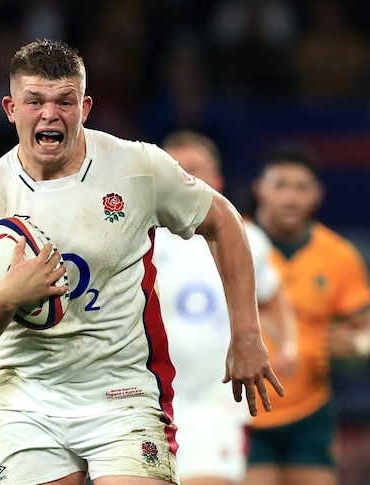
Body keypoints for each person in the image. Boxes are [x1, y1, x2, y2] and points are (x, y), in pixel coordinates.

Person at [0, 38, 282, 485]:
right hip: (27, 399)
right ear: (11, 108)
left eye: (65, 101)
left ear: (84, 106)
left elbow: (223, 220)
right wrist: (9, 296)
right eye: (35, 101)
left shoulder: (136, 166)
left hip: (122, 395)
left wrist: (245, 335)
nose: (50, 114)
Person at [155, 130, 298, 485]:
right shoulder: (133, 240)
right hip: (144, 403)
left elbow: (271, 297)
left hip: (214, 407)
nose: (182, 180)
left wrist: (289, 346)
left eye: (192, 170)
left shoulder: (246, 238)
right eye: (172, 170)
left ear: (216, 181)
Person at [244, 143, 370, 485]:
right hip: (244, 413)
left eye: (302, 187)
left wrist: (357, 345)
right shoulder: (234, 243)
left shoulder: (339, 256)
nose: (291, 198)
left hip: (311, 412)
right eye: (280, 185)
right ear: (260, 189)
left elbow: (365, 332)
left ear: (317, 194)